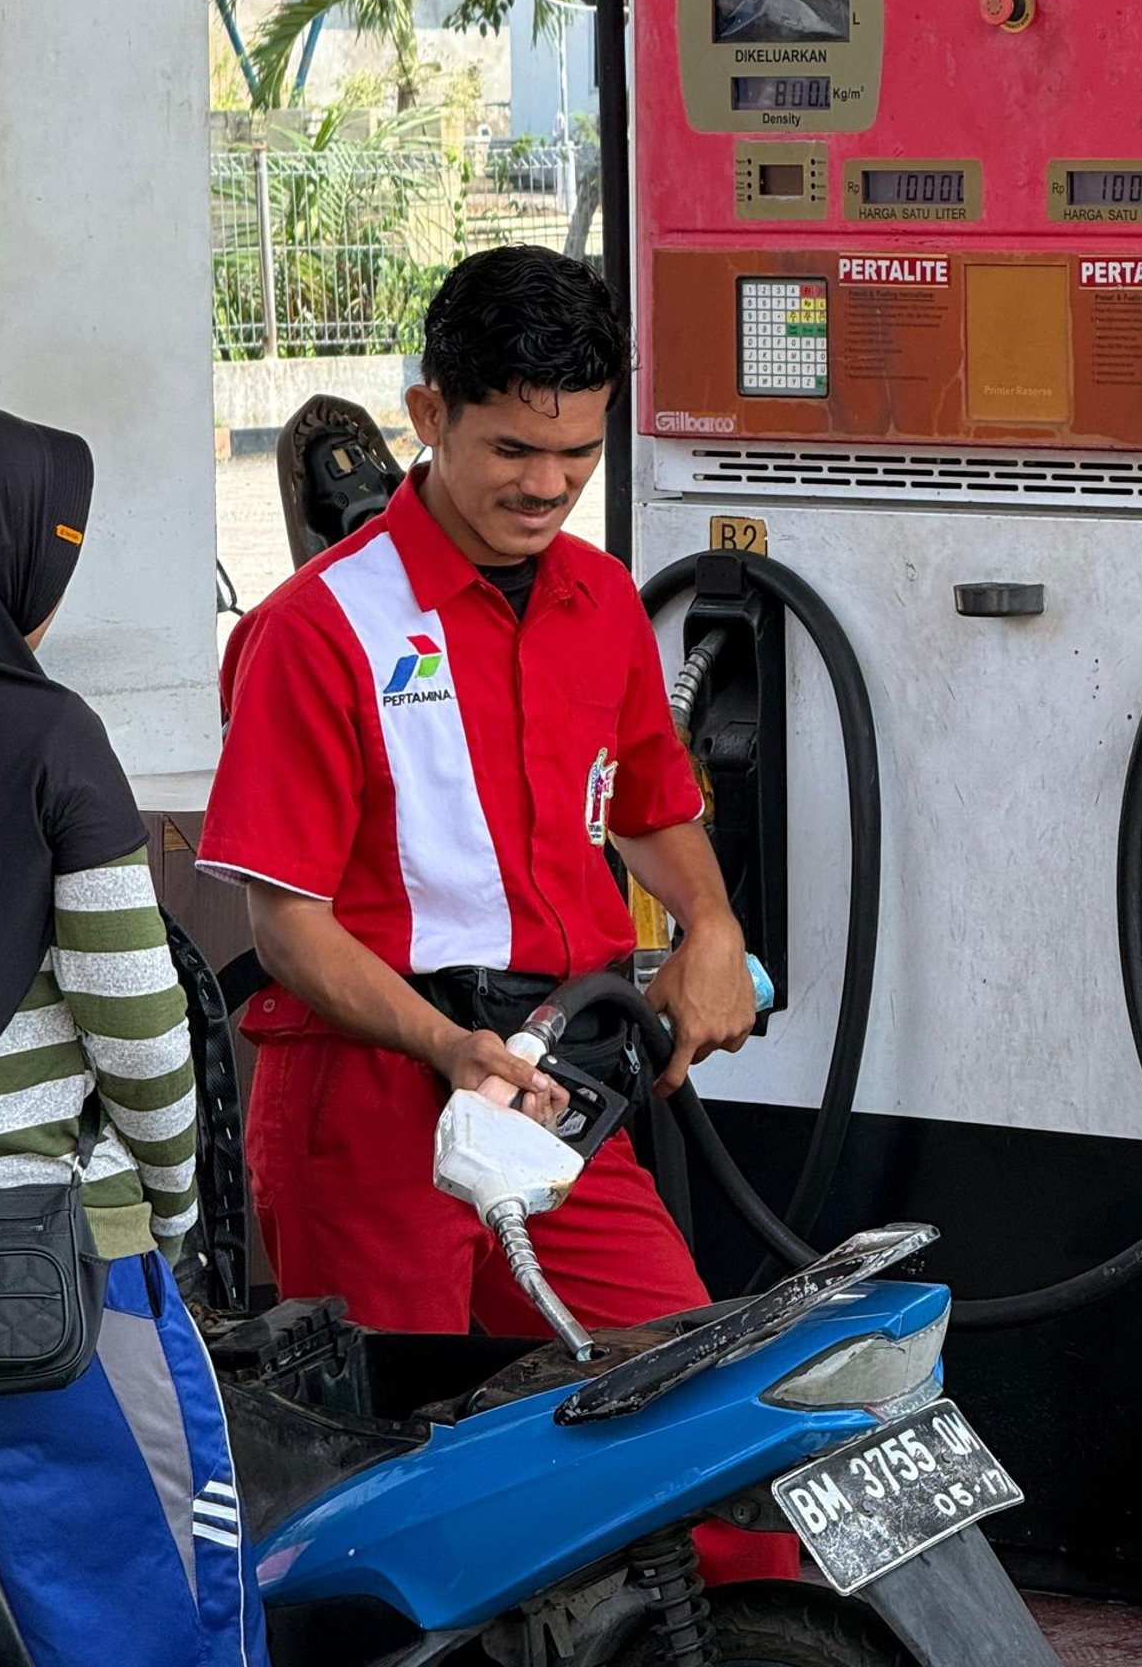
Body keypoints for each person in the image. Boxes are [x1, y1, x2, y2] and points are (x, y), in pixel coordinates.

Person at [197, 248, 779, 1577]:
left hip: (558, 1098)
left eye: (577, 453)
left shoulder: (600, 603)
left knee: (700, 1436)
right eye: (514, 447)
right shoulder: (316, 629)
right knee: (376, 1497)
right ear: (427, 417)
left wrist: (714, 929)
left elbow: (649, 800)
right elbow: (289, 924)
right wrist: (449, 1050)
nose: (548, 486)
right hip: (369, 1101)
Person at [0, 402, 270, 1667]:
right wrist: (174, 1214)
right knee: (155, 1618)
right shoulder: (47, 738)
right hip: (47, 1273)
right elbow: (138, 1028)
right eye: (40, 563)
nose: (46, 605)